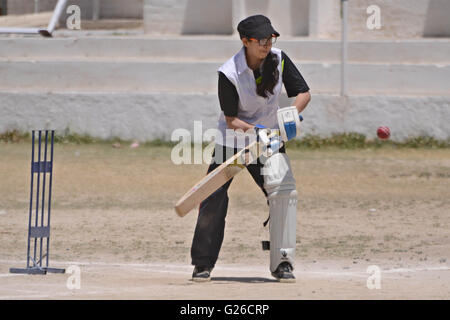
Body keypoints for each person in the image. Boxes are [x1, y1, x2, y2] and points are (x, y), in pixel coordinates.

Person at [190, 15, 311, 283]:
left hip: (270, 139)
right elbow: (231, 120)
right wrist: (257, 132)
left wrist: (292, 114)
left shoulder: (279, 58)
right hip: (233, 140)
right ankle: (202, 264)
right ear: (245, 41)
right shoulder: (229, 73)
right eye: (262, 40)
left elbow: (303, 93)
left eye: (271, 38)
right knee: (213, 198)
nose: (268, 44)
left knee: (283, 192)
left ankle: (282, 263)